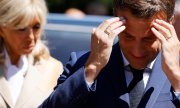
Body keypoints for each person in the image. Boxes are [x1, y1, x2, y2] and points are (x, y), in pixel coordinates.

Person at [40, 0, 180, 108]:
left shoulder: (177, 70)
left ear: (171, 23)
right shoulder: (82, 65)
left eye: (149, 39)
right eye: (128, 37)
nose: (137, 51)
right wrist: (92, 68)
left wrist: (176, 77)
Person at [0, 0, 63, 108]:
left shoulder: (52, 68)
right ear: (2, 29)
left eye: (36, 27)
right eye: (22, 29)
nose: (31, 37)